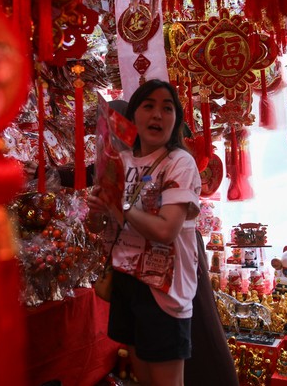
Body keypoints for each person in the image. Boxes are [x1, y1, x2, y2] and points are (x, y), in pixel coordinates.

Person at [88, 79, 201, 386]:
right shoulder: (120, 161)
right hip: (126, 280)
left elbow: (166, 230)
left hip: (163, 289)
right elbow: (99, 227)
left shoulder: (179, 163)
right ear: (134, 116)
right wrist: (98, 208)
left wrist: (120, 205)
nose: (157, 115)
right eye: (148, 106)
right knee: (143, 379)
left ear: (176, 118)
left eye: (167, 108)